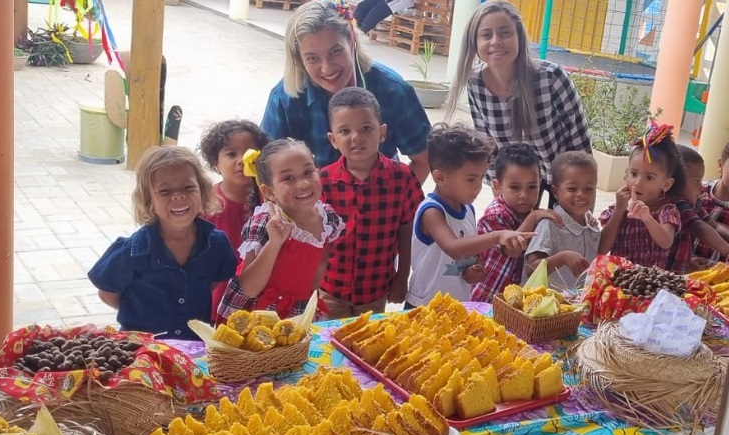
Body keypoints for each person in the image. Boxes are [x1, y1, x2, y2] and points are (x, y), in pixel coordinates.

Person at [261, 0, 431, 181]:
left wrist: (396, 202)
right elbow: (266, 169)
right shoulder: (284, 99)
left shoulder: (393, 90)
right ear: (299, 61)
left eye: (335, 52)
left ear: (352, 42)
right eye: (312, 58)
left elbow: (424, 158)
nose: (327, 68)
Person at [443, 0, 591, 204]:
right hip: (517, 182)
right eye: (486, 35)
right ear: (474, 43)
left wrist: (582, 195)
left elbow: (579, 141)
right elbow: (489, 145)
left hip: (562, 179)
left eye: (505, 32)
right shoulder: (475, 83)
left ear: (519, 37)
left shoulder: (551, 77)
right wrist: (500, 191)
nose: (496, 41)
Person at [88, 146, 238, 339]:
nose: (178, 196)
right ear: (149, 200)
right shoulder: (133, 251)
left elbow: (215, 280)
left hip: (194, 349)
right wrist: (138, 311)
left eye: (188, 187)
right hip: (142, 349)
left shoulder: (216, 244)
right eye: (165, 191)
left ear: (202, 190)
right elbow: (107, 293)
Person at [319, 88, 423, 318]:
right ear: (333, 139)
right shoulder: (322, 182)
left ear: (382, 132)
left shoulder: (402, 177)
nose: (356, 137)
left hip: (375, 290)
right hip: (329, 289)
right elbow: (314, 237)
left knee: (366, 344)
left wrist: (402, 276)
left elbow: (408, 230)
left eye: (366, 128)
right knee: (328, 344)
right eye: (345, 131)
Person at [406, 124, 534, 308]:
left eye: (481, 178)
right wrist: (497, 236)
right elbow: (454, 248)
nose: (479, 186)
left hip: (459, 305)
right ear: (440, 178)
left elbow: (469, 255)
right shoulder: (432, 211)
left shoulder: (468, 210)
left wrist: (474, 269)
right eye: (471, 179)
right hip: (424, 305)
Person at [217, 139, 344, 320]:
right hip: (257, 315)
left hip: (298, 311)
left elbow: (317, 274)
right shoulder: (264, 224)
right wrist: (275, 242)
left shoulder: (327, 219)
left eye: (308, 172)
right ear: (269, 192)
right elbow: (249, 288)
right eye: (288, 178)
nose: (303, 184)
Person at [471, 143, 564, 302]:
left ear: (540, 185)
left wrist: (586, 219)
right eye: (515, 187)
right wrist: (533, 217)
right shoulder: (495, 215)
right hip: (486, 299)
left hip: (512, 301)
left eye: (532, 187)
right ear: (497, 186)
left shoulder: (531, 212)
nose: (524, 195)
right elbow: (513, 249)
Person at [198, 119, 270, 321]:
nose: (241, 160)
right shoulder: (206, 204)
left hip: (262, 303)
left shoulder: (271, 201)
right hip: (219, 302)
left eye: (250, 153)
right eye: (231, 154)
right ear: (215, 164)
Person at [598, 124, 683, 269]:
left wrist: (647, 218)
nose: (638, 183)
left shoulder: (667, 211)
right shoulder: (618, 210)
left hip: (649, 284)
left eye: (649, 178)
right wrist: (619, 210)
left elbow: (666, 241)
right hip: (618, 281)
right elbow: (601, 249)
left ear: (666, 184)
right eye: (633, 174)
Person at [525, 151, 601, 291]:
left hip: (577, 305)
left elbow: (600, 249)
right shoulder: (550, 224)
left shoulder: (590, 223)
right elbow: (531, 269)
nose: (581, 195)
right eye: (572, 189)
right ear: (555, 192)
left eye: (589, 189)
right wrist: (563, 258)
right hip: (544, 306)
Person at [667, 145, 729, 273]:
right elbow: (700, 228)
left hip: (677, 272)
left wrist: (689, 261)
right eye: (697, 181)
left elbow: (712, 225)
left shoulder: (694, 204)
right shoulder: (675, 205)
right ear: (674, 181)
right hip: (664, 274)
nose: (702, 187)